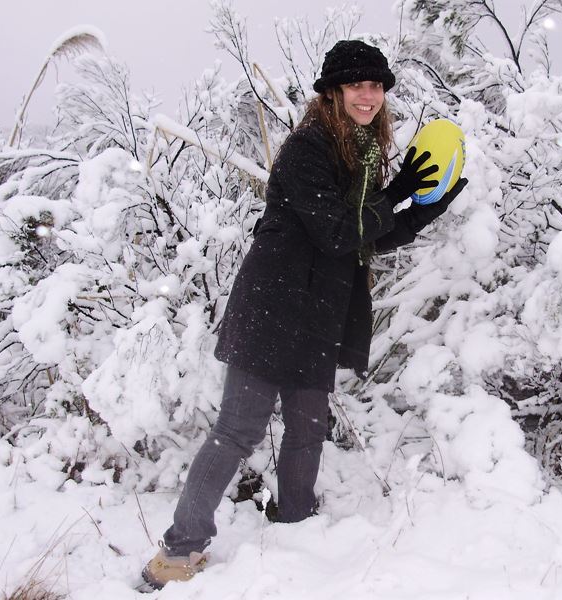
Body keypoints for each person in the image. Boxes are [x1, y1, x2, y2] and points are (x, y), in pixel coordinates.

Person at [142, 39, 468, 589]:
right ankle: (179, 552)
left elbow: (367, 237)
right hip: (273, 307)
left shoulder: (361, 154)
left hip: (318, 312)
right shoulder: (307, 150)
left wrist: (423, 206)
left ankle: (295, 526)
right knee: (236, 432)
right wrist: (400, 192)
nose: (368, 95)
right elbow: (340, 230)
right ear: (333, 93)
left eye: (376, 86)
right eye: (355, 85)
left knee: (307, 430)